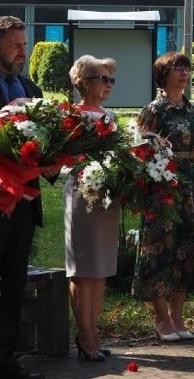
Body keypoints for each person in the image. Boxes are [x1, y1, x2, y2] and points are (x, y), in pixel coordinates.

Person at [0, 16, 55, 379]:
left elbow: (40, 144)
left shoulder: (30, 89)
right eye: (15, 45)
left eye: (24, 43)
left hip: (23, 203)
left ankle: (4, 359)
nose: (23, 50)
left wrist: (52, 164)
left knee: (13, 285)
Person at [134, 52, 194, 341]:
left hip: (193, 182)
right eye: (176, 68)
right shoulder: (155, 110)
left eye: (186, 68)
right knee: (161, 248)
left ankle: (178, 317)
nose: (183, 73)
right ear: (163, 75)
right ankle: (161, 318)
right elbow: (140, 148)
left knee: (187, 248)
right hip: (165, 186)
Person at [64, 55, 119, 362]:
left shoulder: (109, 115)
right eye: (103, 78)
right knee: (83, 270)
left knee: (99, 271)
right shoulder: (71, 115)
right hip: (84, 195)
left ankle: (94, 334)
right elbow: (66, 156)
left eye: (111, 79)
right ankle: (85, 337)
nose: (109, 84)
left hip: (108, 198)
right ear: (84, 81)